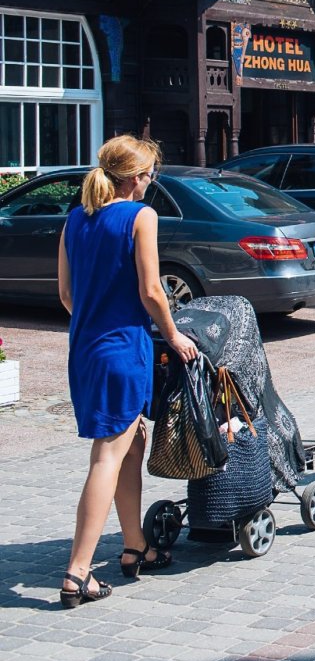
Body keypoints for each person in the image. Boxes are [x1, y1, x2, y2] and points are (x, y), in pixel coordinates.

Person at [55, 135, 200, 608]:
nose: (152, 181)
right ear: (138, 178)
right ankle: (78, 573)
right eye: (151, 173)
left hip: (87, 348)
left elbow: (66, 294)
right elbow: (153, 290)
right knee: (108, 455)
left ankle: (135, 546)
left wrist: (95, 321)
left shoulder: (75, 219)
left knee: (130, 443)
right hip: (123, 348)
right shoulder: (141, 216)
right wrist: (174, 335)